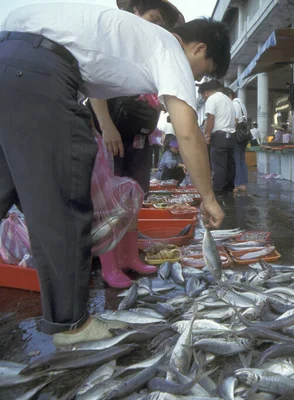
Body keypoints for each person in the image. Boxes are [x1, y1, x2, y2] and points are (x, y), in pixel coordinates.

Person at [0, 3, 228, 346]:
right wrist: (208, 198)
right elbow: (187, 131)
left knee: (4, 186)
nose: (195, 79)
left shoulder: (132, 37)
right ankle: (70, 326)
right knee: (62, 203)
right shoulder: (170, 48)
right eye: (202, 72)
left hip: (8, 56)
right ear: (199, 48)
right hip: (38, 72)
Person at [88, 0, 184, 289]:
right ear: (135, 13)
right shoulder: (115, 44)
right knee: (108, 202)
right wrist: (106, 127)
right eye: (153, 19)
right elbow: (95, 86)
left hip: (140, 138)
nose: (156, 28)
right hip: (111, 135)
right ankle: (110, 266)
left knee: (135, 198)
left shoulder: (150, 53)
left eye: (161, 25)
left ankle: (129, 258)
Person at [199, 80, 237, 195]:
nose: (204, 99)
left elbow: (210, 118)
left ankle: (217, 190)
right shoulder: (227, 99)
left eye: (202, 96)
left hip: (219, 135)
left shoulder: (212, 99)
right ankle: (229, 187)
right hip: (231, 135)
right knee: (230, 164)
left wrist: (208, 134)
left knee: (218, 165)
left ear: (205, 93)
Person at [220, 87, 249, 193]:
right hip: (244, 135)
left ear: (229, 95)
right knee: (241, 159)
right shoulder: (241, 104)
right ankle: (242, 183)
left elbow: (235, 120)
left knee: (236, 160)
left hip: (237, 135)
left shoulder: (234, 104)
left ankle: (236, 185)